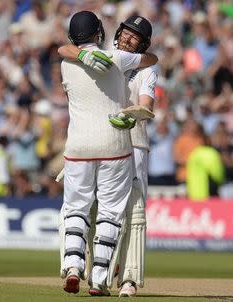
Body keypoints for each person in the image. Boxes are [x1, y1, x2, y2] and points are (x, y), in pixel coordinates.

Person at [58, 11, 157, 296]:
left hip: (132, 142)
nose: (127, 37)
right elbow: (66, 49)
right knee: (102, 212)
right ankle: (96, 275)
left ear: (143, 43)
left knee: (133, 215)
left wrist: (135, 115)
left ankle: (127, 278)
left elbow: (147, 102)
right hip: (112, 145)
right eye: (125, 32)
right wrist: (83, 55)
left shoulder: (139, 66)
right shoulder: (113, 56)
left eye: (135, 36)